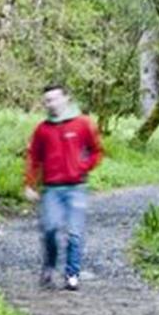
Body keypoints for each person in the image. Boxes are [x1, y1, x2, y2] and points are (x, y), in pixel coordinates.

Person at [23, 83, 103, 290]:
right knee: (50, 229)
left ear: (66, 98)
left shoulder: (83, 123)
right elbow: (33, 158)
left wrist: (83, 166)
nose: (51, 104)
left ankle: (72, 274)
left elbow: (97, 151)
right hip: (52, 189)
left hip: (77, 186)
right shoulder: (42, 129)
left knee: (74, 233)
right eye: (47, 100)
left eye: (55, 99)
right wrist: (30, 184)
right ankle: (49, 267)